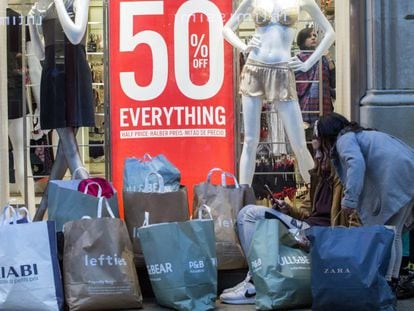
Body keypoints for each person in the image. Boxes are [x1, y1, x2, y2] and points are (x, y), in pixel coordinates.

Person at [219, 126, 359, 304]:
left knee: (251, 215)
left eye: (320, 151)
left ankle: (257, 283)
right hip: (308, 227)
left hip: (321, 234)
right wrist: (288, 209)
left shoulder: (344, 178)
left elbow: (351, 222)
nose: (316, 157)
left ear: (333, 150)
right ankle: (256, 280)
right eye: (315, 151)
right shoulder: (319, 174)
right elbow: (310, 214)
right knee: (245, 213)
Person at [222, 0, 335, 185]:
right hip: (254, 68)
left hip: (283, 71)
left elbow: (330, 33)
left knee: (298, 142)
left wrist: (309, 62)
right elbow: (226, 29)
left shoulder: (302, 1)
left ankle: (316, 200)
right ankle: (244, 202)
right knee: (250, 142)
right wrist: (244, 47)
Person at [314, 112, 414, 292]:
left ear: (327, 134)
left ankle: (387, 283)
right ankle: (392, 282)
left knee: (389, 233)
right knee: (395, 234)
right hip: (407, 176)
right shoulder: (358, 135)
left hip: (401, 177)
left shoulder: (344, 140)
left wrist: (349, 200)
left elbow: (356, 163)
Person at [28, 0, 95, 220]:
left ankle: (41, 213)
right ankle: (95, 208)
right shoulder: (40, 7)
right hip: (54, 76)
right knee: (68, 148)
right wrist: (32, 24)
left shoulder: (78, 1)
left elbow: (76, 36)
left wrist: (57, 3)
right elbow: (40, 54)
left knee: (67, 150)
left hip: (74, 72)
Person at [295, 27, 335, 128]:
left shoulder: (323, 57)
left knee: (324, 134)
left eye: (314, 35)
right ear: (302, 40)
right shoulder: (298, 59)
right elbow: (297, 84)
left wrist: (328, 58)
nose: (313, 38)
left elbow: (333, 80)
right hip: (305, 104)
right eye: (309, 36)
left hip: (323, 102)